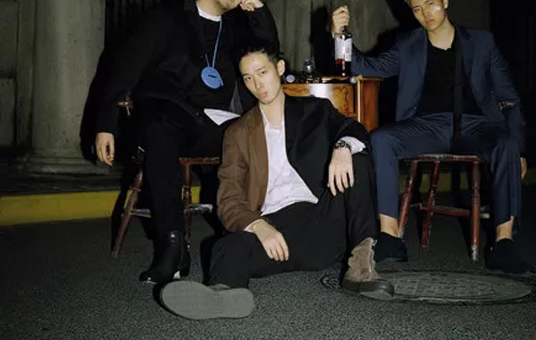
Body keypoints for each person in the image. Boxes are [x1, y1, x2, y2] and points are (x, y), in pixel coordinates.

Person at [158, 43, 394, 320]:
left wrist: (342, 147)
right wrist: (259, 226)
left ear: (279, 68)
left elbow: (353, 128)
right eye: (248, 78)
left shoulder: (314, 110)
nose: (257, 84)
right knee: (226, 245)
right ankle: (224, 294)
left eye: (262, 72)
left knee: (357, 159)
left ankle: (360, 269)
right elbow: (229, 199)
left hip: (323, 222)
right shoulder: (238, 133)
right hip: (276, 234)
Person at [330, 0, 533, 274]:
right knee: (382, 139)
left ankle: (503, 244)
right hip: (427, 126)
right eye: (417, 9)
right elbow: (366, 66)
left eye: (430, 4)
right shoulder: (407, 44)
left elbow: (509, 99)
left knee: (507, 144)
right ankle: (389, 237)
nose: (426, 13)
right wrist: (340, 36)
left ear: (445, 1)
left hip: (477, 125)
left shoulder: (482, 42)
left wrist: (519, 149)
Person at [95, 0, 279, 284]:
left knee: (252, 136)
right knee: (159, 132)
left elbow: (268, 53)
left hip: (213, 124)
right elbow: (125, 70)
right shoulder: (165, 18)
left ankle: (248, 236)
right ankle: (172, 246)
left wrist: (260, 14)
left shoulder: (234, 30)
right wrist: (106, 124)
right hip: (168, 115)